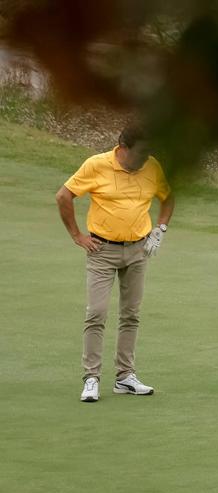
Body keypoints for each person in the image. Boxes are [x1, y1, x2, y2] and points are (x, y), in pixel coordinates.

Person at [55, 123, 174, 402]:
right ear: (123, 148)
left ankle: (125, 377)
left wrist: (160, 229)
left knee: (131, 314)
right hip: (102, 250)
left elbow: (168, 198)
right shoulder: (97, 165)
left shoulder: (152, 167)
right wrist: (77, 236)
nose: (145, 159)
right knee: (96, 313)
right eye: (141, 153)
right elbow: (63, 196)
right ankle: (92, 378)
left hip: (138, 250)